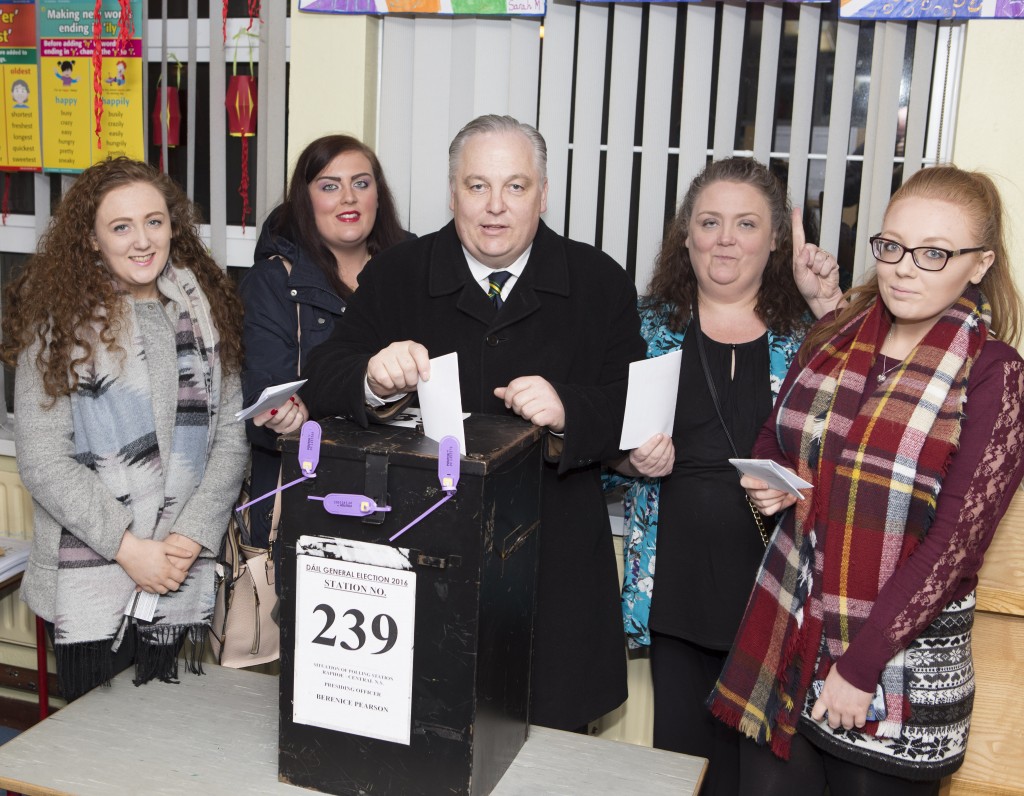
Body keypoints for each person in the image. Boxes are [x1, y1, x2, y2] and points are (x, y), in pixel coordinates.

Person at [300, 114, 645, 732]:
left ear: (543, 193)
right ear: (452, 191)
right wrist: (372, 377)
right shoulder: (399, 273)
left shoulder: (600, 282)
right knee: (420, 751)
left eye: (515, 187)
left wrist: (570, 409)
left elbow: (637, 415)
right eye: (477, 186)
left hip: (555, 577)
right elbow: (322, 374)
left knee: (542, 762)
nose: (494, 207)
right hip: (418, 565)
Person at [708, 165, 1024, 795]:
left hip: (900, 674)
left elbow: (955, 547)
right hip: (789, 640)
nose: (905, 268)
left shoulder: (994, 374)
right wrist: (773, 488)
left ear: (980, 264)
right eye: (892, 246)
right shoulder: (834, 335)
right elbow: (774, 439)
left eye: (935, 253)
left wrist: (859, 666)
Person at [608, 157, 841, 795]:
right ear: (686, 235)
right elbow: (599, 454)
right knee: (686, 772)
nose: (726, 239)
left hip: (779, 594)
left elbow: (861, 443)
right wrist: (628, 462)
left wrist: (831, 307)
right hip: (675, 587)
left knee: (770, 779)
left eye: (746, 223)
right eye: (710, 222)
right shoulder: (643, 325)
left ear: (776, 241)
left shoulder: (813, 335)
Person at [2, 157, 248, 702]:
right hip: (89, 584)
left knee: (163, 745)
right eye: (121, 227)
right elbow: (44, 460)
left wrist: (187, 539)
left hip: (181, 571)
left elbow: (231, 438)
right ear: (90, 240)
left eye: (155, 221)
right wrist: (129, 548)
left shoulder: (204, 310)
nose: (143, 240)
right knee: (98, 757)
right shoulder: (57, 323)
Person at [239, 134, 408, 550]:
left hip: (407, 495)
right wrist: (284, 416)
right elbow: (259, 400)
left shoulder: (414, 270)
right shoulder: (271, 282)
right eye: (329, 186)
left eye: (361, 183)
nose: (348, 198)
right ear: (305, 199)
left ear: (379, 196)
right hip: (307, 495)